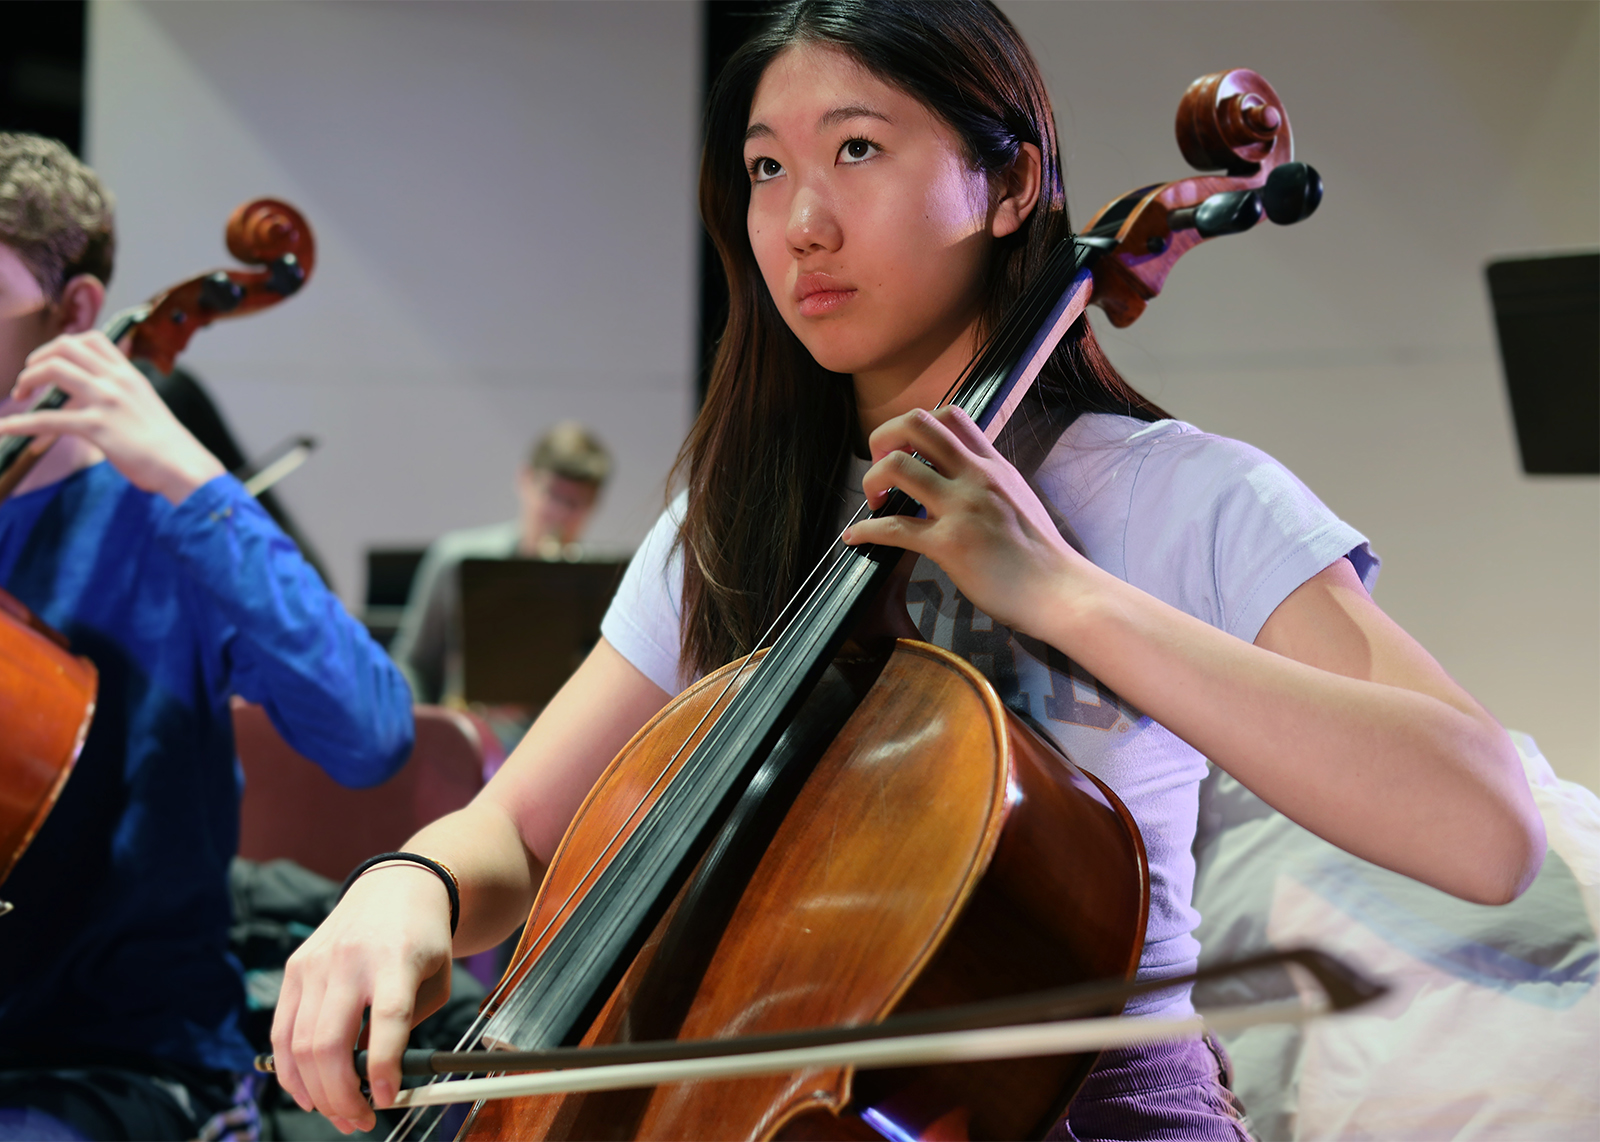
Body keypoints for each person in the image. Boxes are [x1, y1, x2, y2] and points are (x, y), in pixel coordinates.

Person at [270, 3, 1546, 1138]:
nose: (801, 220)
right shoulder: (726, 521)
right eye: (767, 169)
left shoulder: (1180, 493)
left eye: (857, 150)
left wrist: (1058, 591)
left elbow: (1484, 829)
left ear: (1010, 185)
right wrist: (407, 885)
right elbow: (511, 828)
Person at [0, 133, 415, 1141]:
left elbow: (372, 731)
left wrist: (194, 483)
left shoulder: (167, 521)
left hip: (121, 1061)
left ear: (77, 313)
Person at [389, 421, 612, 705]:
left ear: (594, 504)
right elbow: (413, 663)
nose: (560, 514)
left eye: (575, 503)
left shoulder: (603, 585)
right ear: (525, 479)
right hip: (473, 738)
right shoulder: (454, 558)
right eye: (552, 495)